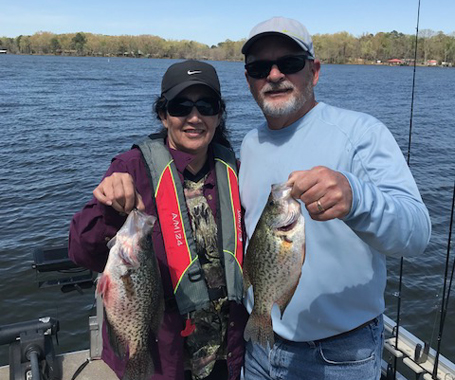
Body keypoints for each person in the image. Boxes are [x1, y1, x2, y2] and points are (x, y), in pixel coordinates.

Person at [238, 16, 431, 380]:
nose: (275, 75)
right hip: (259, 342)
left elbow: (418, 232)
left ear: (315, 70)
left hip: (340, 355)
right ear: (249, 79)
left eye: (290, 63)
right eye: (260, 67)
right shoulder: (249, 144)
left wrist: (357, 198)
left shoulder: (361, 133)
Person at [69, 60, 248, 380]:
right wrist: (110, 212)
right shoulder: (132, 167)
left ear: (218, 114)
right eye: (181, 106)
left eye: (206, 105)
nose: (194, 117)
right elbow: (82, 251)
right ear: (163, 115)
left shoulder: (232, 168)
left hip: (225, 354)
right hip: (162, 357)